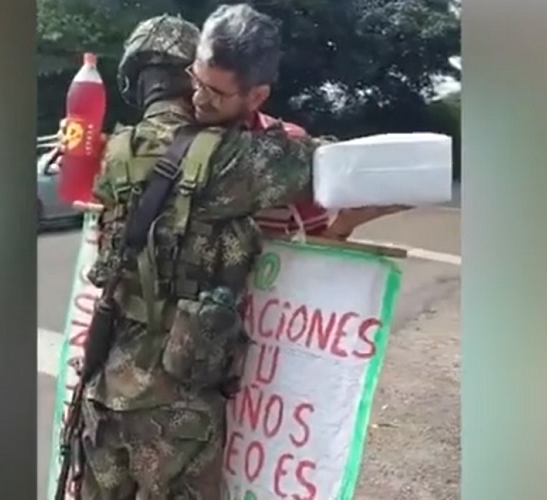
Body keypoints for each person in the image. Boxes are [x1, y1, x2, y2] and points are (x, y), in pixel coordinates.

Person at [70, 13, 337, 500]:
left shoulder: (114, 151)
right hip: (178, 408)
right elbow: (336, 169)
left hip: (105, 392)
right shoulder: (230, 157)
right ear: (186, 71)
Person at [189, 3, 410, 240]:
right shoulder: (162, 128)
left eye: (216, 93)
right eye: (195, 79)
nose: (198, 98)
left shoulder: (290, 152)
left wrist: (343, 224)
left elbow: (309, 262)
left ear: (257, 96)